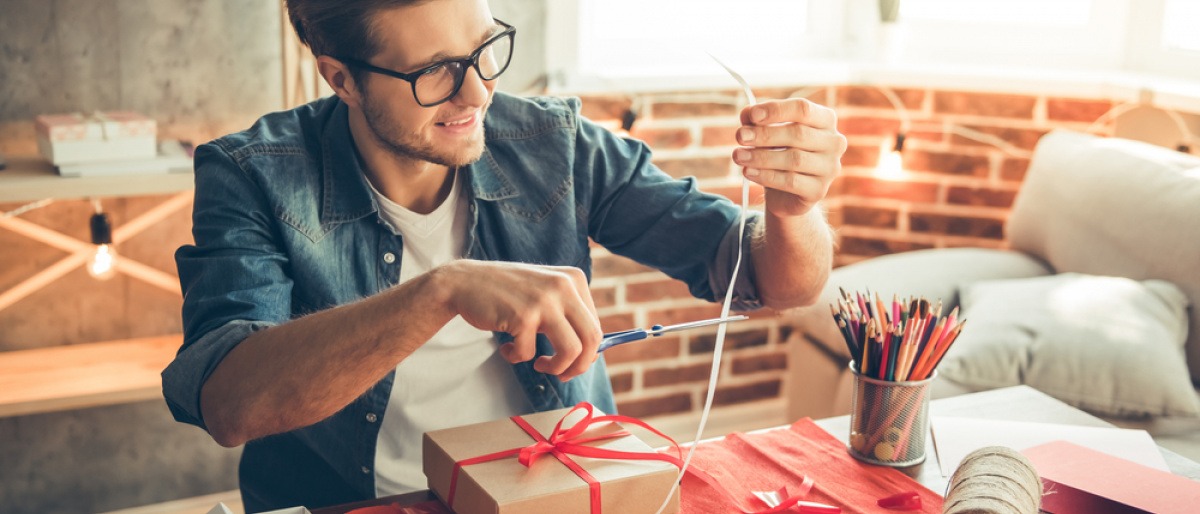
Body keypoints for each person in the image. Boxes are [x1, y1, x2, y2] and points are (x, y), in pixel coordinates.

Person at [161, 0, 846, 511]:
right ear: (341, 78)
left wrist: (794, 211)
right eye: (435, 72)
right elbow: (231, 403)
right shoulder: (251, 173)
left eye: (485, 50)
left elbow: (774, 282)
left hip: (558, 492)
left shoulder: (556, 142)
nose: (479, 92)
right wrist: (441, 291)